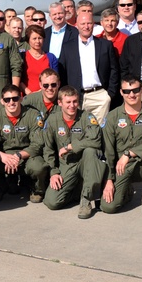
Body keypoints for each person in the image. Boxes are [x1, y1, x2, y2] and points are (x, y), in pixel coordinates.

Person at [100, 77, 142, 220]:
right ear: (121, 92)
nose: (132, 95)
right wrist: (109, 179)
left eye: (135, 90)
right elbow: (108, 152)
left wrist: (130, 153)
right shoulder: (112, 117)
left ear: (141, 90)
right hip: (121, 168)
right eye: (127, 91)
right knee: (108, 207)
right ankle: (126, 192)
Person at [41, 86, 105, 218]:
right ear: (60, 103)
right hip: (67, 165)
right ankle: (78, 190)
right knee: (52, 202)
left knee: (90, 151)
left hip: (86, 163)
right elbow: (48, 149)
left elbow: (96, 141)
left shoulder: (87, 117)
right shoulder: (53, 120)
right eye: (68, 102)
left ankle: (86, 200)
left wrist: (71, 146)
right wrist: (54, 172)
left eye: (75, 101)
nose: (72, 105)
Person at [0, 84, 47, 203]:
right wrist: (1, 156)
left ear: (21, 99)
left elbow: (38, 143)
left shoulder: (33, 115)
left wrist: (19, 155)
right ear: (2, 101)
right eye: (7, 99)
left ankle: (35, 188)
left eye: (15, 98)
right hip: (3, 158)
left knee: (38, 167)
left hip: (26, 157)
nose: (11, 102)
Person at [57, 13, 119, 124]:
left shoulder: (105, 45)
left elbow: (114, 69)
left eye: (89, 23)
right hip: (76, 97)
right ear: (77, 25)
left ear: (93, 24)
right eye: (83, 23)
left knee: (100, 132)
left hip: (100, 96)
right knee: (78, 130)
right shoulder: (68, 46)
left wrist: (110, 94)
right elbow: (62, 72)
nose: (86, 26)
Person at [22, 25, 58, 95]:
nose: (37, 41)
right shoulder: (22, 56)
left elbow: (56, 78)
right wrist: (28, 92)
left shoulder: (51, 57)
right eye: (34, 38)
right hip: (27, 96)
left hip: (47, 95)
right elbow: (18, 78)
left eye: (40, 38)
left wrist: (42, 92)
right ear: (28, 40)